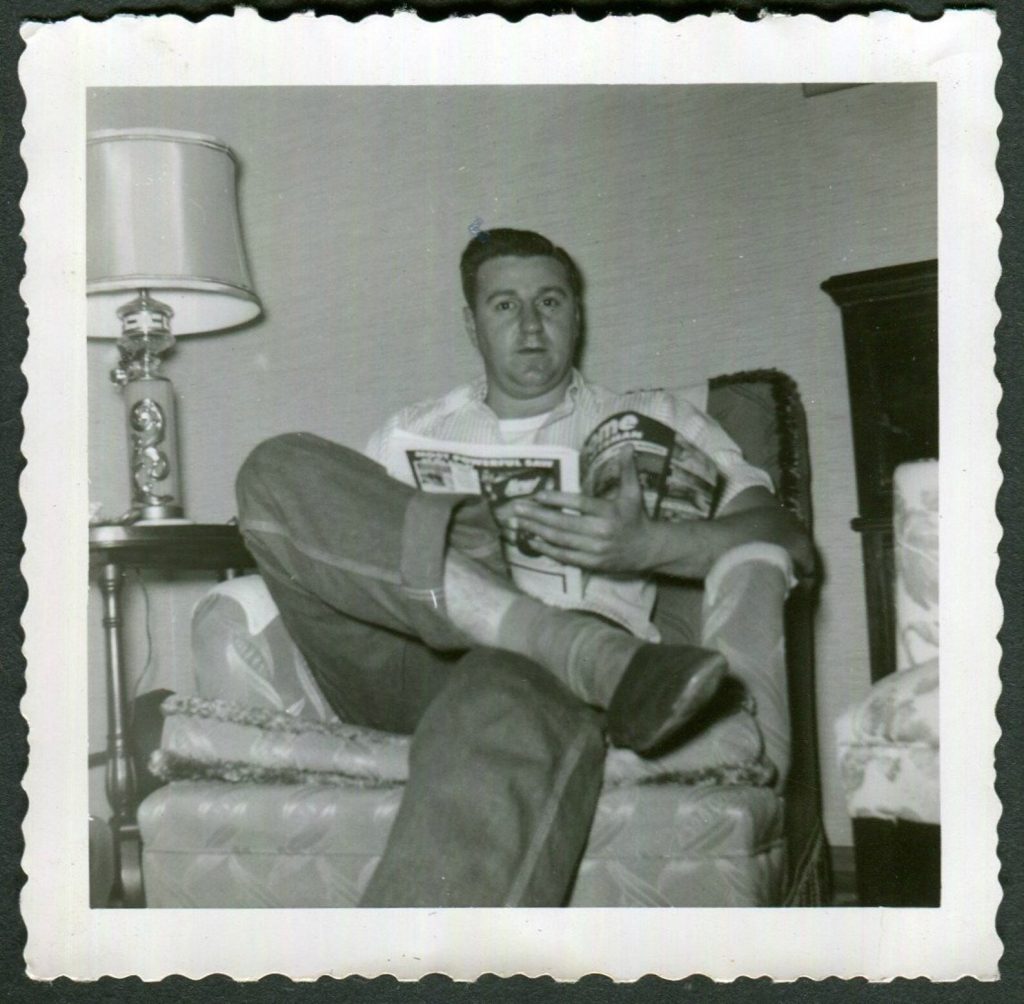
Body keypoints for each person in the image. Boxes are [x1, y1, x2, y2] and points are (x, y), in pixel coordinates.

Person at [235, 228, 812, 907]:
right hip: (407, 662)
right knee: (274, 467)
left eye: (551, 302)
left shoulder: (650, 419)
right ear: (471, 323)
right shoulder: (410, 430)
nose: (532, 326)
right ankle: (561, 641)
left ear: (578, 312)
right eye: (505, 306)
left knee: (503, 683)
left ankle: (558, 646)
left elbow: (785, 539)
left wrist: (644, 547)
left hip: (527, 688)